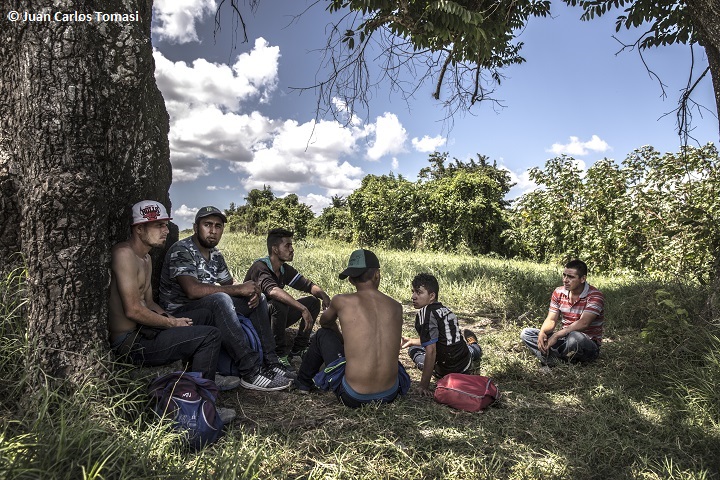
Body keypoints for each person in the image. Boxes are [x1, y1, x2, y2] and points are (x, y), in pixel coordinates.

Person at [108, 200, 241, 424]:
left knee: (206, 315)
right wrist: (171, 324)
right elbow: (132, 310)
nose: (165, 230)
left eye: (165, 225)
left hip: (146, 329)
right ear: (139, 229)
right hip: (130, 341)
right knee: (209, 336)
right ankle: (202, 409)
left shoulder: (147, 257)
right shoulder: (124, 254)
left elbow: (149, 302)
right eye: (158, 225)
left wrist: (173, 318)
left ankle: (203, 378)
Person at [159, 206, 291, 392]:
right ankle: (250, 370)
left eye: (218, 226)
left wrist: (250, 292)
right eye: (207, 225)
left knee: (259, 298)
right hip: (181, 312)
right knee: (221, 298)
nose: (213, 231)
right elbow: (192, 290)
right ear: (196, 227)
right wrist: (237, 289)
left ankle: (271, 361)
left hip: (207, 308)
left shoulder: (216, 255)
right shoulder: (182, 250)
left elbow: (229, 282)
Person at [294, 249, 410, 408]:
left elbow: (324, 322)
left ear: (350, 280)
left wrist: (341, 338)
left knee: (322, 334)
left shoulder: (340, 301)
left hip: (353, 397)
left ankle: (303, 382)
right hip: (390, 394)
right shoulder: (396, 307)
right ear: (377, 274)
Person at [244, 228, 331, 367]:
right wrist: (302, 309)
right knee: (278, 303)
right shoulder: (260, 267)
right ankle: (279, 355)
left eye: (291, 245)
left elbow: (307, 285)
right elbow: (273, 291)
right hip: (255, 322)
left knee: (313, 302)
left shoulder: (283, 269)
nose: (292, 249)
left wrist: (324, 296)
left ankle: (298, 349)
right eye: (287, 245)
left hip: (273, 319)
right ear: (275, 249)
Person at [401, 273, 483, 396]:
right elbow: (441, 339)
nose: (413, 296)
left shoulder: (425, 313)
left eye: (419, 292)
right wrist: (412, 340)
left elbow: (431, 351)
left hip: (447, 370)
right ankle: (474, 344)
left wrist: (424, 385)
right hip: (465, 361)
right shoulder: (445, 309)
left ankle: (472, 345)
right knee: (471, 350)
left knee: (415, 351)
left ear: (431, 296)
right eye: (413, 292)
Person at [520, 259, 605, 366]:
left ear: (583, 279)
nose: (565, 280)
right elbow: (551, 319)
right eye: (564, 275)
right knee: (527, 333)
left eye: (571, 277)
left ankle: (551, 359)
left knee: (575, 338)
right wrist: (542, 332)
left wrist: (556, 336)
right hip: (564, 339)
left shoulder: (595, 296)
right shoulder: (558, 292)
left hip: (586, 343)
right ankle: (559, 359)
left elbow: (584, 323)